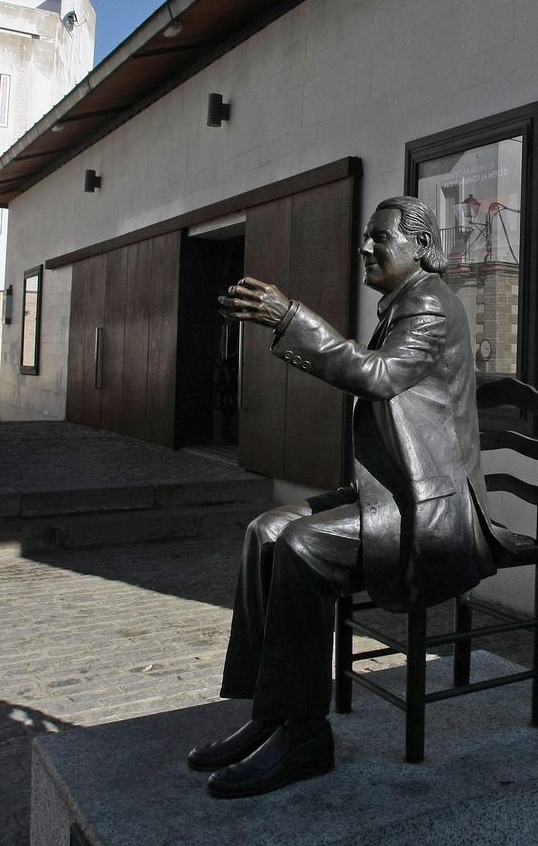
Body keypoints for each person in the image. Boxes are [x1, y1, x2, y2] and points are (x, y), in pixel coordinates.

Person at [191, 195, 518, 798]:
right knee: (262, 531)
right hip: (394, 491)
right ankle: (272, 713)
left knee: (301, 546)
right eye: (366, 236)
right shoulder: (403, 303)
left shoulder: (430, 306)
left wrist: (291, 317)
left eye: (380, 239)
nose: (366, 246)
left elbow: (377, 377)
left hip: (433, 508)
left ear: (419, 248)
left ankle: (307, 737)